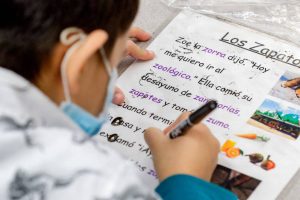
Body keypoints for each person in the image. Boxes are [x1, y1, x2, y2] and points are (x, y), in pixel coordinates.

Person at [0, 0, 237, 199]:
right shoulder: (99, 184)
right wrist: (187, 182)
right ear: (79, 66)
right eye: (111, 64)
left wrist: (96, 63)